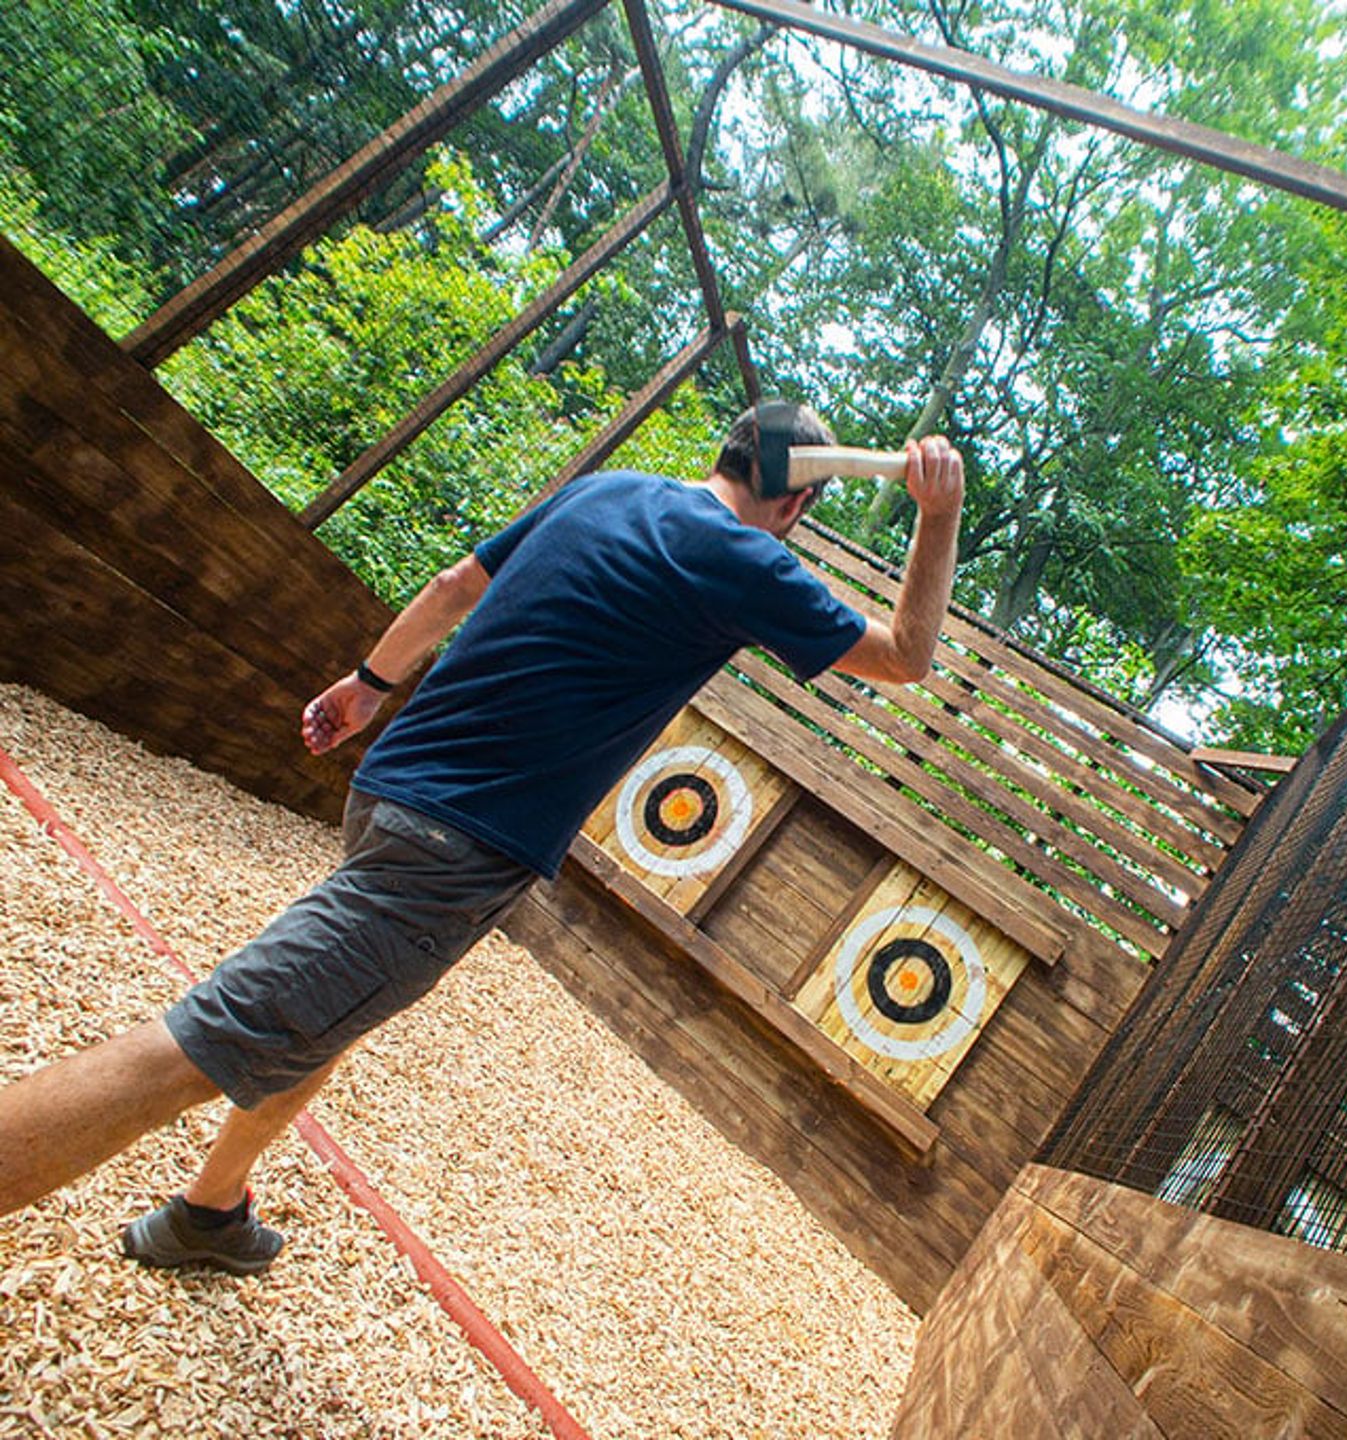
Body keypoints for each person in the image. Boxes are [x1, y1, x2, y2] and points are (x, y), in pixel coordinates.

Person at [0, 403, 963, 1273]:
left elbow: (459, 582)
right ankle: (191, 1209)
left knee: (335, 1008)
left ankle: (210, 1209)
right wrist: (937, 515)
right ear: (794, 509)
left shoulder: (605, 491)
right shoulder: (747, 561)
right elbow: (906, 658)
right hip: (453, 849)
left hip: (388, 792)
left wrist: (367, 686)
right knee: (201, 1042)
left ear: (732, 454)